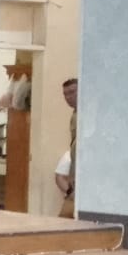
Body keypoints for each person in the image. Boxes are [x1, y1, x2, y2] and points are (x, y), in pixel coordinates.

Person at [58, 77, 78, 218]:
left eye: (72, 92)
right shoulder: (75, 114)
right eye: (65, 94)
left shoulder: (85, 114)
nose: (68, 97)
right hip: (75, 179)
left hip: (84, 179)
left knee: (65, 219)